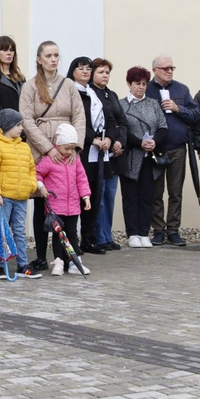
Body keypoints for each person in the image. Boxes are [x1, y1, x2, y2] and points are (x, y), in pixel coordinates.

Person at [19, 41, 85, 271]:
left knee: (66, 203)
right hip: (41, 150)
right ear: (39, 59)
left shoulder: (68, 85)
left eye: (56, 55)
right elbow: (26, 120)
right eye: (48, 55)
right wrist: (48, 148)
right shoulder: (30, 87)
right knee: (41, 202)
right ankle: (40, 254)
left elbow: (79, 115)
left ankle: (65, 254)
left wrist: (74, 147)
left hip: (67, 150)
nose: (53, 59)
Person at [144, 54, 200, 247]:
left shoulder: (181, 89)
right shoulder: (147, 89)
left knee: (176, 192)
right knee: (156, 192)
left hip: (178, 148)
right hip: (156, 150)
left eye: (172, 68)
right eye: (165, 68)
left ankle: (173, 230)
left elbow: (196, 114)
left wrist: (179, 108)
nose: (169, 71)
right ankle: (158, 230)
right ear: (154, 71)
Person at [67, 56, 115, 255]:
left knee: (94, 195)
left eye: (88, 68)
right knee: (78, 195)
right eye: (81, 68)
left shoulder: (94, 95)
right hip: (82, 150)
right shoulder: (70, 92)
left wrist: (109, 139)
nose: (86, 72)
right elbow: (74, 120)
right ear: (73, 72)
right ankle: (74, 239)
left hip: (99, 153)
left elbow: (110, 119)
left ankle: (89, 237)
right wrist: (91, 139)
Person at [0, 108, 39, 279]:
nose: (21, 128)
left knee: (19, 231)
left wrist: (31, 185)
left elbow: (32, 169)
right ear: (8, 126)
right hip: (4, 198)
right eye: (18, 125)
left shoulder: (24, 147)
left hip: (21, 197)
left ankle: (23, 264)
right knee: (1, 231)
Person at [120, 66, 168, 248]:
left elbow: (163, 127)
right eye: (137, 83)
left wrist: (154, 141)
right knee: (131, 196)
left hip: (150, 157)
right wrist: (139, 142)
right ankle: (132, 233)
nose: (141, 87)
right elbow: (122, 130)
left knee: (148, 196)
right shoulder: (122, 104)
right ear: (129, 84)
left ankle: (144, 232)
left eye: (144, 84)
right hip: (132, 156)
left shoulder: (153, 104)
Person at [36, 123, 91, 275]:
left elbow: (81, 178)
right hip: (55, 205)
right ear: (58, 144)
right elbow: (37, 173)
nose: (70, 152)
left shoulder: (75, 160)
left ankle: (74, 261)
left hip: (73, 205)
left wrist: (85, 196)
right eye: (66, 148)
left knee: (72, 232)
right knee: (57, 234)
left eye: (72, 148)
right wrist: (41, 187)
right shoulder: (49, 160)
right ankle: (59, 261)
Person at [89, 58, 127, 251]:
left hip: (114, 153)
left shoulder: (111, 95)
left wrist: (119, 141)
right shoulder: (90, 93)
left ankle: (108, 234)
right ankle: (98, 236)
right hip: (97, 151)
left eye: (107, 72)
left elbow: (122, 122)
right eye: (101, 72)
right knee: (99, 196)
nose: (105, 75)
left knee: (110, 196)